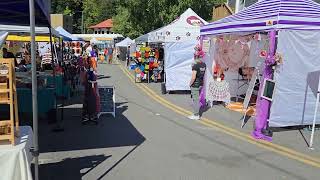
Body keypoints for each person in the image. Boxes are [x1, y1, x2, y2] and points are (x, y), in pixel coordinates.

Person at [188, 45, 206, 120]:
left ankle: (196, 115)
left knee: (195, 100)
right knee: (196, 99)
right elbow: (203, 75)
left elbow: (193, 77)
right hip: (201, 84)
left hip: (195, 84)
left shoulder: (195, 65)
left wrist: (190, 83)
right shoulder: (204, 65)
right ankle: (196, 113)